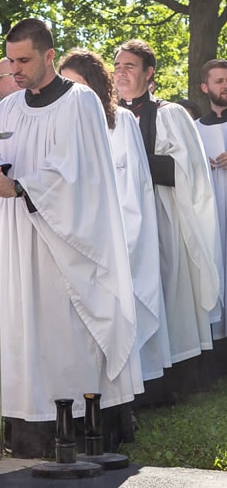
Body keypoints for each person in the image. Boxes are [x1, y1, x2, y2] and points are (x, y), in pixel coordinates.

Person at [0, 18, 142, 458]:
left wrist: (20, 187)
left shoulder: (80, 102)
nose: (15, 69)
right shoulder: (9, 108)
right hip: (19, 238)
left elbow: (78, 173)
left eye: (24, 60)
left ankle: (80, 430)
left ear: (49, 56)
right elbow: (3, 159)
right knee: (24, 325)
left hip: (67, 243)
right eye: (10, 60)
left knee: (64, 328)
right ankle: (27, 428)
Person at [114, 40, 220, 398]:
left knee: (168, 291)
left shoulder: (169, 113)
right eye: (117, 66)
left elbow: (186, 170)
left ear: (149, 73)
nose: (121, 73)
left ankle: (172, 378)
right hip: (124, 220)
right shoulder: (107, 114)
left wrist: (134, 164)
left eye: (130, 66)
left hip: (164, 217)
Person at [58, 49, 171, 384]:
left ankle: (124, 387)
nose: (71, 94)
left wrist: (120, 238)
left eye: (76, 85)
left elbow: (134, 188)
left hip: (117, 234)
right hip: (73, 235)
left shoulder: (121, 123)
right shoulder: (62, 122)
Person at [196, 59, 227, 373]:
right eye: (218, 81)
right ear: (205, 88)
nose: (224, 86)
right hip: (212, 219)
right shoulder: (194, 130)